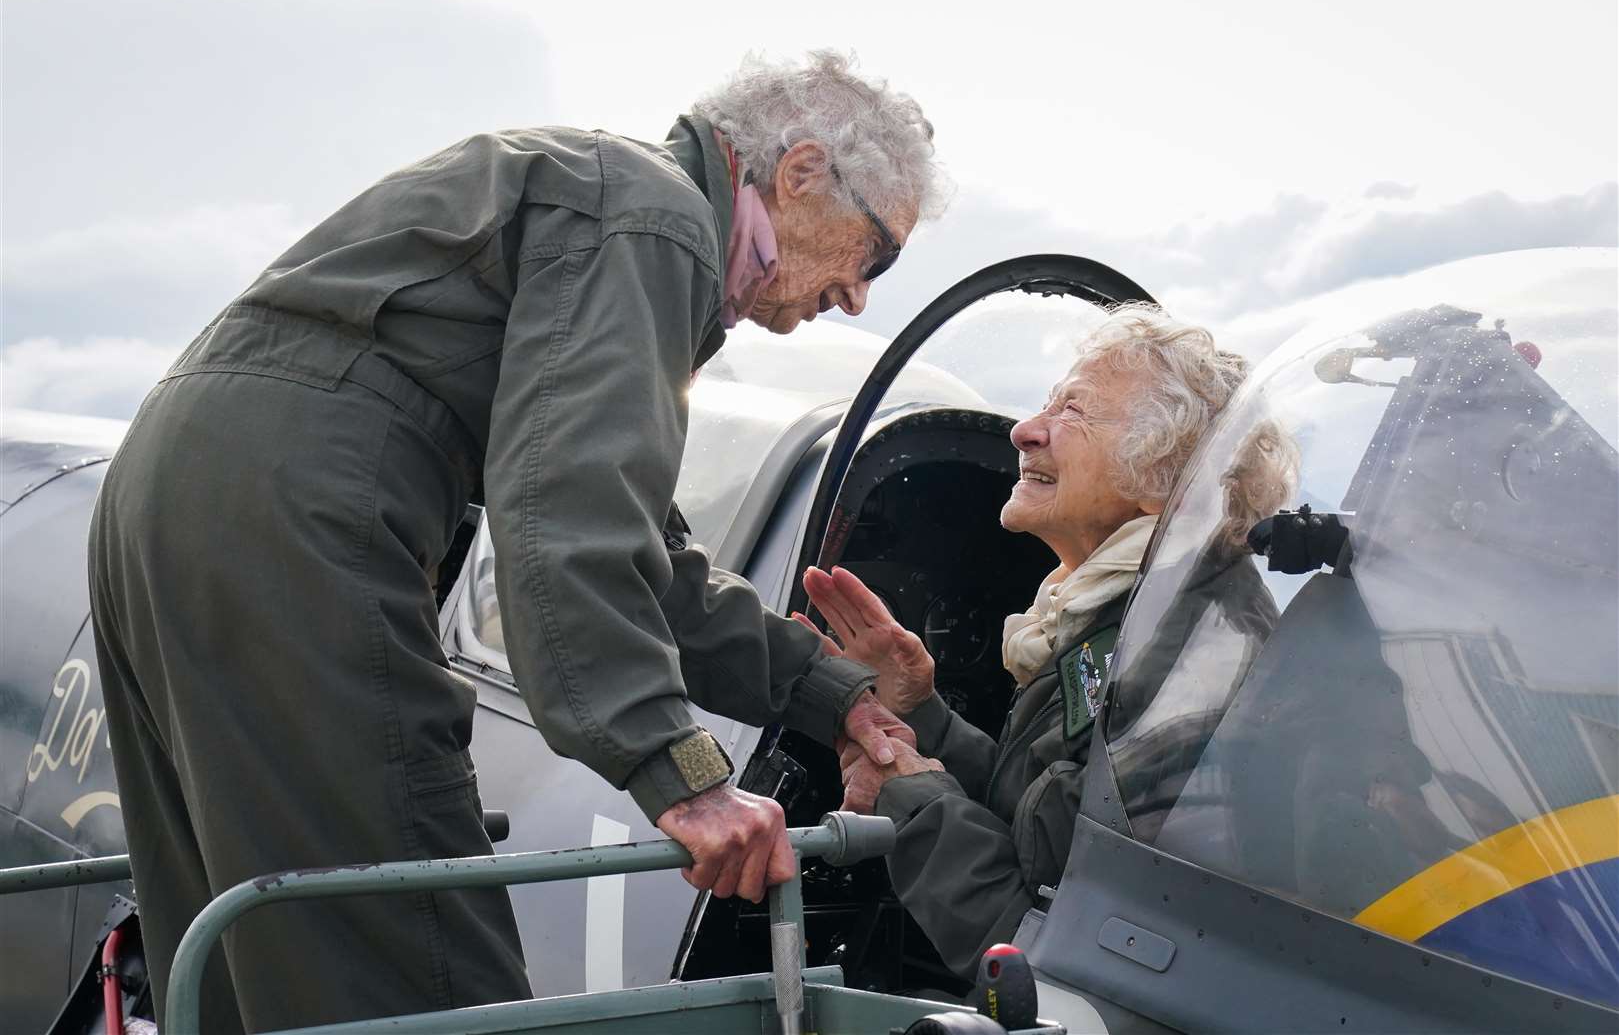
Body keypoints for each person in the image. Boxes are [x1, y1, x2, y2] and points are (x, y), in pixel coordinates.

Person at [88, 51, 945, 1032]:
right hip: (303, 525)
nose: (856, 295)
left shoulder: (599, 192)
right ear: (796, 174)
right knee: (413, 961)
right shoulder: (654, 218)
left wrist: (828, 695)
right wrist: (679, 773)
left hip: (173, 495)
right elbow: (574, 521)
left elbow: (646, 564)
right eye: (871, 254)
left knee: (255, 956)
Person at [799, 310, 1256, 980]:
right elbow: (1038, 820)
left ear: (1163, 472)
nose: (1025, 430)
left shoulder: (1194, 656)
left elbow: (1049, 952)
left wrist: (910, 798)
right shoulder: (1118, 618)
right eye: (1046, 402)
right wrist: (921, 717)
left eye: (1073, 411)